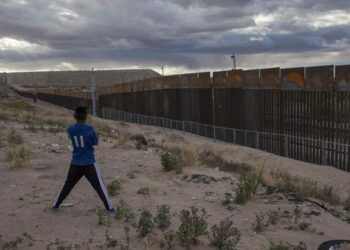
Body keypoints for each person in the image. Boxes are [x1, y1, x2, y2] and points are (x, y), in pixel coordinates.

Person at [52, 106, 115, 212]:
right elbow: (95, 142)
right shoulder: (89, 129)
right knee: (99, 186)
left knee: (67, 185)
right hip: (89, 162)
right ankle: (110, 207)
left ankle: (56, 205)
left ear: (75, 116)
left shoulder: (70, 129)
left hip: (75, 162)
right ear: (85, 117)